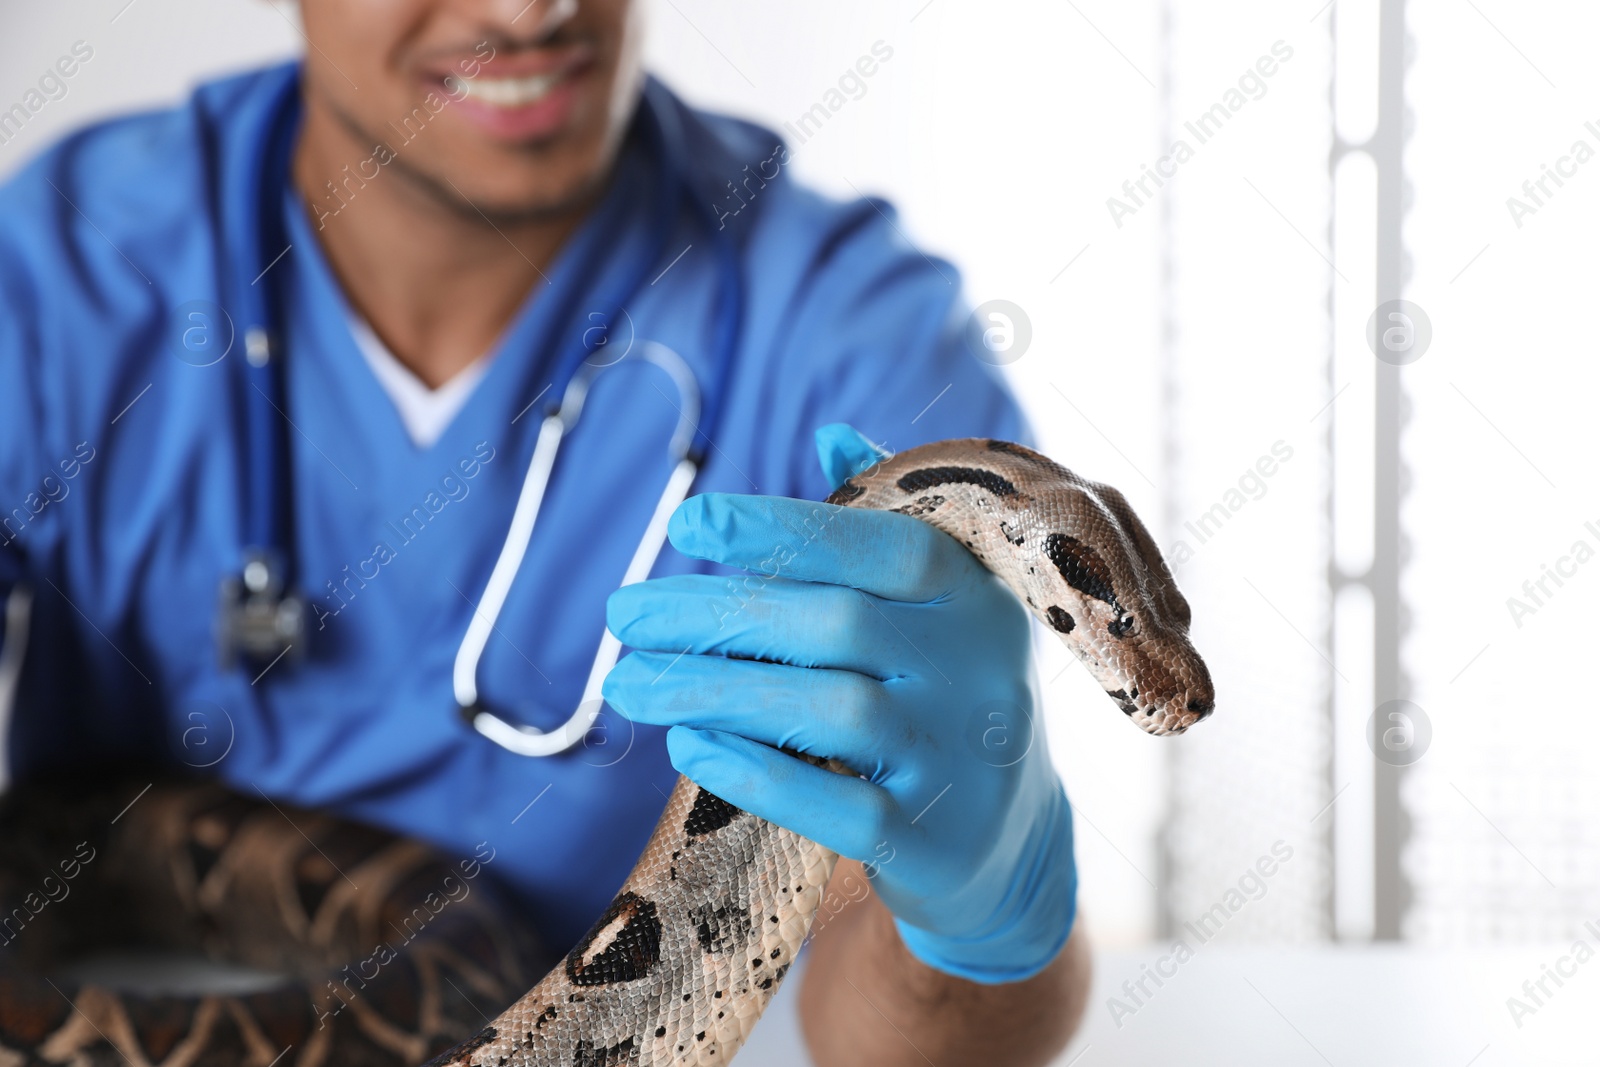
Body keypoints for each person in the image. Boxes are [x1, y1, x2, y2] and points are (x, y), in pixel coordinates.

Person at [0, 0, 1089, 1062]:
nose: (533, 10)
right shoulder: (61, 273)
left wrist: (979, 916)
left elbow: (876, 1040)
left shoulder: (857, 346)